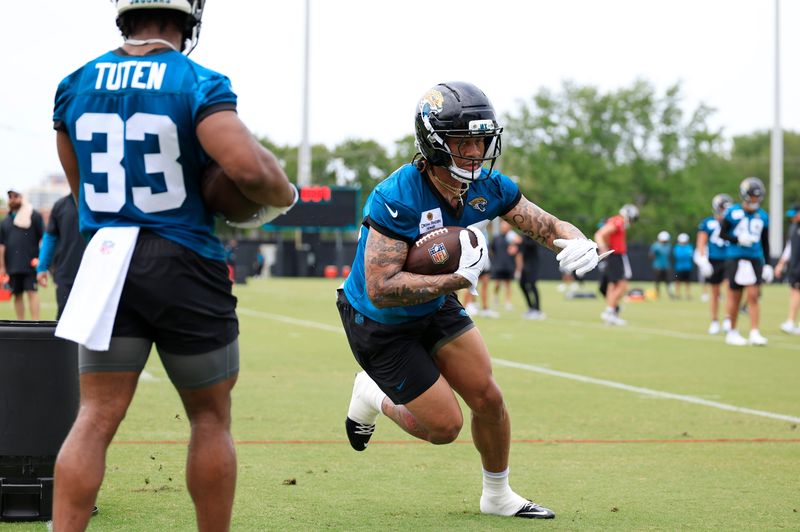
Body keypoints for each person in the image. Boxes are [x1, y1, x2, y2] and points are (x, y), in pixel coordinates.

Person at [50, 1, 297, 530]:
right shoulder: (195, 80)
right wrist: (283, 196)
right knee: (209, 417)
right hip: (182, 258)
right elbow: (248, 167)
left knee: (94, 417)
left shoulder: (74, 82)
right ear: (189, 15)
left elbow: (80, 192)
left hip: (106, 260)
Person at [338, 81, 604, 520]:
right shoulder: (395, 196)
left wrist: (577, 243)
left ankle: (497, 495)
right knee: (444, 427)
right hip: (379, 321)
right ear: (436, 144)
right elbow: (381, 287)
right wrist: (457, 279)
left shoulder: (487, 186)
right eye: (464, 142)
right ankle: (370, 393)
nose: (476, 152)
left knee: (488, 397)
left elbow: (547, 224)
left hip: (433, 303)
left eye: (482, 140)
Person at [719, 177, 772, 346]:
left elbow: (765, 242)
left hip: (755, 258)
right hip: (736, 256)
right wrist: (738, 239)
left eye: (757, 196)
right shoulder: (733, 212)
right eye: (752, 196)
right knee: (735, 295)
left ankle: (755, 332)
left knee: (754, 295)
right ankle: (732, 331)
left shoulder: (763, 216)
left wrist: (768, 264)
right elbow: (723, 234)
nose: (755, 200)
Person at [36, 194, 86, 319]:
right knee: (64, 316)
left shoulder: (97, 203)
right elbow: (50, 238)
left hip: (94, 274)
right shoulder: (60, 206)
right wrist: (42, 268)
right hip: (65, 272)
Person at [0, 187, 45, 320]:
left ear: (22, 197)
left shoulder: (34, 216)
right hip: (12, 265)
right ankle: (21, 324)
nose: (13, 200)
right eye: (10, 197)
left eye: (15, 196)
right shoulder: (5, 221)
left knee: (32, 292)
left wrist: (41, 260)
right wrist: (2, 267)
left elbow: (44, 239)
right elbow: (1, 246)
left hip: (31, 264)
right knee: (17, 294)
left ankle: (35, 324)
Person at [694, 193, 733, 334]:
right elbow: (701, 243)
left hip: (730, 259)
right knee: (715, 292)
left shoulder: (732, 222)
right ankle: (715, 321)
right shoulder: (708, 223)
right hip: (714, 260)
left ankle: (729, 319)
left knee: (730, 290)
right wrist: (703, 261)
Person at [594, 204, 638, 325]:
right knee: (622, 286)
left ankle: (611, 313)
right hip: (616, 256)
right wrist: (603, 248)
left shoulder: (617, 221)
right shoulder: (618, 221)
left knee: (612, 286)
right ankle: (610, 311)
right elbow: (600, 234)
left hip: (614, 255)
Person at [775, 204, 800, 335]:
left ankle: (791, 321)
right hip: (795, 267)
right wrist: (780, 264)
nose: (792, 218)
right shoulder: (793, 228)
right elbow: (789, 248)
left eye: (795, 215)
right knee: (794, 292)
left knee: (796, 292)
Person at [510, 233, 545, 319]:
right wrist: (514, 245)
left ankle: (538, 310)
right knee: (522, 284)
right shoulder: (522, 236)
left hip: (533, 265)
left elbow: (532, 244)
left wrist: (521, 241)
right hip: (525, 266)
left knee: (532, 285)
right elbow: (517, 250)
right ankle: (531, 308)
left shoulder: (533, 234)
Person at [490, 220, 516, 311]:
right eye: (502, 226)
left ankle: (508, 302)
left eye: (505, 226)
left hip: (509, 265)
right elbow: (492, 250)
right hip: (498, 265)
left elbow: (515, 250)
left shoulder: (512, 238)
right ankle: (495, 298)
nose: (504, 228)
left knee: (508, 285)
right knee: (497, 284)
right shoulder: (496, 238)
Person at [649, 231, 672, 299]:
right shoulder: (655, 246)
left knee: (668, 281)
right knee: (657, 281)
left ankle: (670, 294)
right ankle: (657, 294)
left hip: (666, 266)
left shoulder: (668, 246)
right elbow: (651, 255)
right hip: (657, 266)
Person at [672, 233, 694, 299]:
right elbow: (678, 256)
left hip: (687, 267)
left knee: (687, 282)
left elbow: (690, 256)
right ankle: (677, 294)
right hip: (679, 268)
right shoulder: (677, 247)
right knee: (677, 281)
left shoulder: (689, 247)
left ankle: (688, 295)